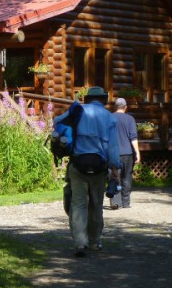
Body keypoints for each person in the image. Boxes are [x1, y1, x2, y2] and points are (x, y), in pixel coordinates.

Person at [56, 86, 120, 257]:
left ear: (87, 98)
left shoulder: (78, 111)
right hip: (99, 167)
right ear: (104, 100)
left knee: (78, 204)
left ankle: (80, 243)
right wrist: (115, 168)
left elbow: (57, 121)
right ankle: (94, 242)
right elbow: (113, 146)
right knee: (96, 205)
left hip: (77, 164)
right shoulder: (109, 118)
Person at [110, 98, 140, 209]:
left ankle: (116, 202)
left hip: (113, 153)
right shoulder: (130, 119)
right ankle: (126, 202)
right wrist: (137, 152)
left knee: (114, 177)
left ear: (115, 107)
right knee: (127, 177)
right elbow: (133, 137)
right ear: (125, 107)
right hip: (127, 153)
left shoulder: (109, 118)